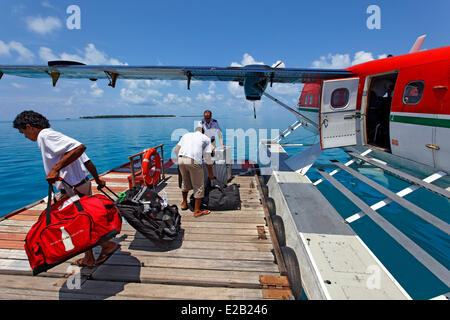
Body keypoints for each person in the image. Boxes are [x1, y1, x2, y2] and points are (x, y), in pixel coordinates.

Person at [13, 110, 117, 267]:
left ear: (29, 127)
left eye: (23, 133)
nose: (26, 137)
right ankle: (90, 256)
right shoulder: (54, 138)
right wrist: (96, 179)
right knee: (81, 221)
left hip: (72, 188)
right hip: (79, 184)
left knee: (78, 222)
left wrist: (55, 169)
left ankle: (107, 245)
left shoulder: (46, 136)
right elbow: (85, 159)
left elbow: (80, 148)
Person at [174, 126, 215, 217]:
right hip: (193, 161)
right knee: (199, 185)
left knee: (185, 181)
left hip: (181, 159)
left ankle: (184, 203)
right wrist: (211, 174)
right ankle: (197, 211)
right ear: (203, 132)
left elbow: (176, 150)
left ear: (194, 131)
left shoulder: (186, 135)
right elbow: (208, 158)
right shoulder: (206, 138)